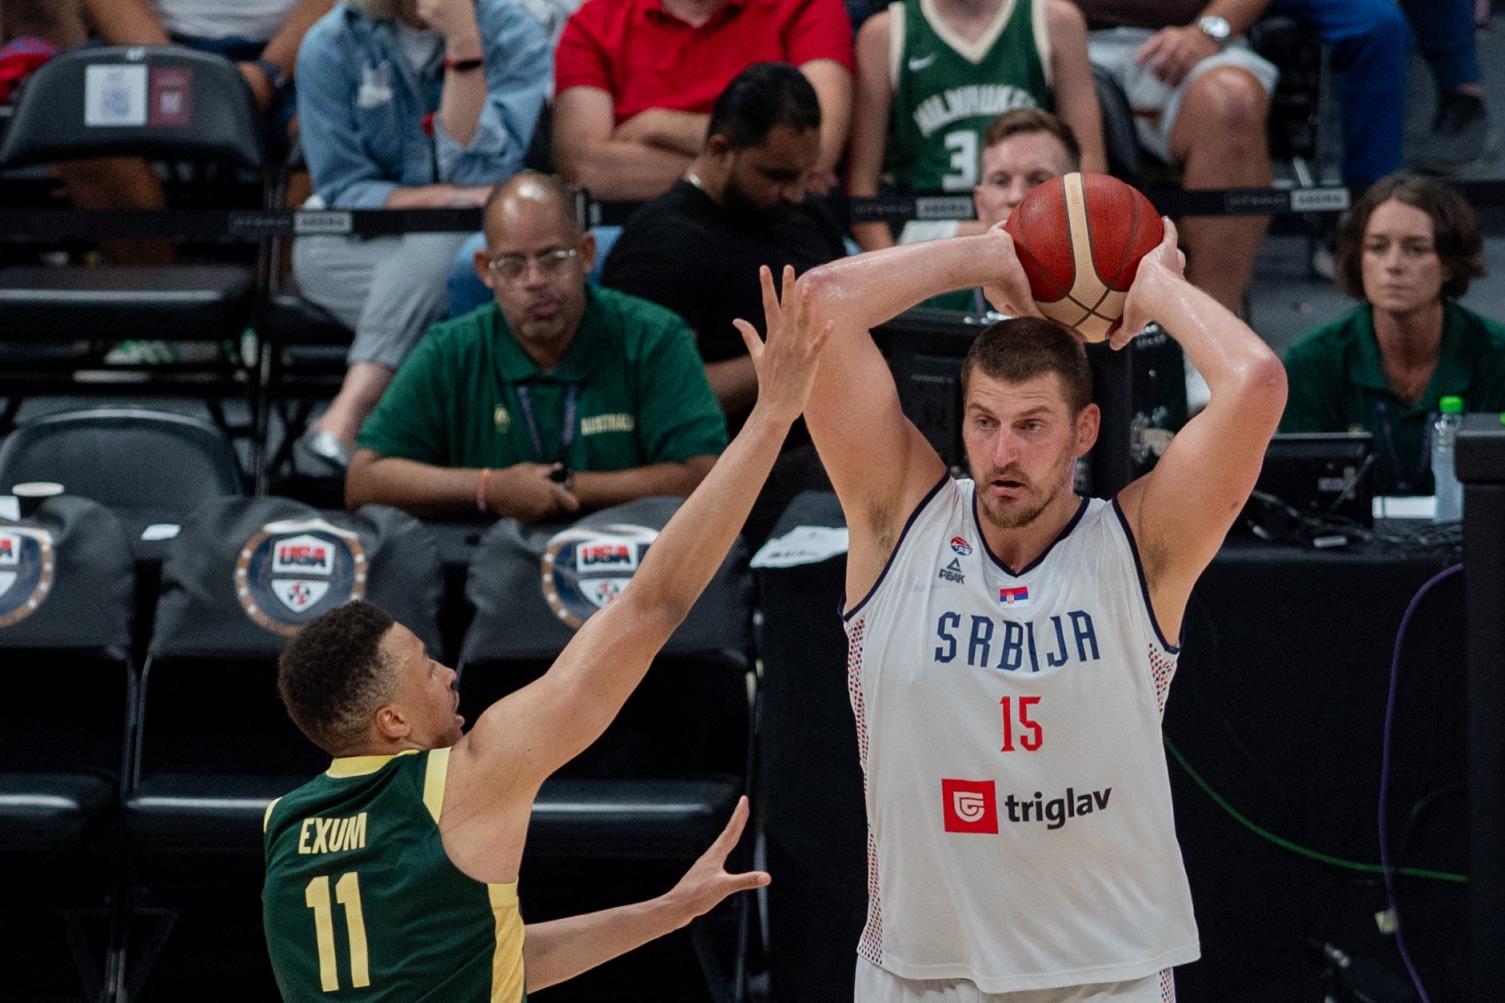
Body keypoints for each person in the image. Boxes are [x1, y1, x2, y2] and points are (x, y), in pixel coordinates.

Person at [262, 267, 831, 998]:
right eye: (425, 666)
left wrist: (668, 911)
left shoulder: (285, 824)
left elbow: (494, 960)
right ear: (392, 720)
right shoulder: (461, 780)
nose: (448, 673)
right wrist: (772, 417)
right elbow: (652, 606)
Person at [783, 206, 1286, 994]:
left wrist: (1153, 284)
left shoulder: (1141, 545)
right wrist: (984, 255)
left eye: (1031, 425)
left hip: (1105, 973)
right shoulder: (897, 518)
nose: (1003, 452)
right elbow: (813, 307)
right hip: (922, 971)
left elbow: (1254, 383)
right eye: (983, 421)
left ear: (1084, 431)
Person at [345, 172, 728, 521]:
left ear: (587, 254)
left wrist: (566, 487)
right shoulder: (451, 350)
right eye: (512, 265)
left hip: (633, 558)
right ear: (485, 270)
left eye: (553, 259)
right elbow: (364, 480)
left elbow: (705, 475)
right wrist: (489, 487)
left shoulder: (655, 337)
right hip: (488, 562)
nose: (535, 281)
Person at [291, 0, 551, 468]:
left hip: (466, 242)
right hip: (351, 244)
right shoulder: (330, 43)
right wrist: (442, 197)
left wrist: (464, 46)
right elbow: (341, 186)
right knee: (441, 258)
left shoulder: (515, 33)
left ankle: (354, 410)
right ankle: (429, 441)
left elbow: (481, 172)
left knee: (446, 245)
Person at [1281, 173, 1504, 496]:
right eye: (1377, 247)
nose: (1393, 265)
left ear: (1448, 264)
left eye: (1415, 249)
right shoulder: (1312, 361)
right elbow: (1294, 490)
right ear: (1359, 259)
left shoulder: (1496, 356)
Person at [846, 0, 1104, 253]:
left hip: (1033, 220)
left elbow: (1089, 170)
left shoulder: (1054, 20)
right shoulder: (885, 33)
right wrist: (893, 270)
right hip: (924, 225)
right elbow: (861, 188)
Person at [1072, 0, 1276, 314]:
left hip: (1191, 35)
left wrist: (1207, 32)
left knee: (1233, 102)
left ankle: (1209, 324)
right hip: (1064, 31)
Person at [551, 0, 854, 201]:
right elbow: (585, 171)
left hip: (779, 222)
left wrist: (656, 126)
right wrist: (756, 169)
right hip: (634, 226)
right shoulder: (593, 22)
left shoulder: (806, 5)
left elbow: (814, 150)